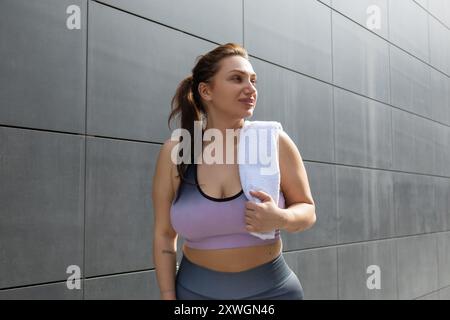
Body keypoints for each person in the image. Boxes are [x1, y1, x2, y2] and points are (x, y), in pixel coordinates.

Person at [152, 43, 316, 300]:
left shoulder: (274, 142)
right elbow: (163, 235)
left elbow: (307, 209)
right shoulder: (177, 152)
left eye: (253, 80)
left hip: (273, 293)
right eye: (237, 79)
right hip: (195, 294)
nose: (250, 89)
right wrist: (167, 295)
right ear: (206, 91)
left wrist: (281, 218)